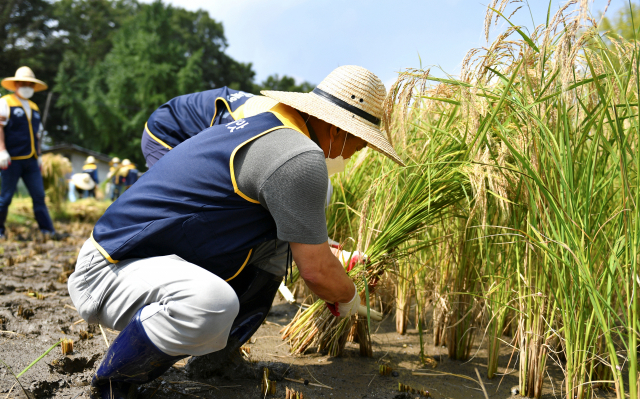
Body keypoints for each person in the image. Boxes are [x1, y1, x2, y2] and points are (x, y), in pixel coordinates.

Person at [68, 65, 405, 399]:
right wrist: (347, 297)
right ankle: (113, 386)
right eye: (361, 140)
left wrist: (333, 257)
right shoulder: (300, 158)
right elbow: (316, 271)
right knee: (211, 305)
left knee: (273, 246)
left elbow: (301, 242)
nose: (359, 150)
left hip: (131, 260)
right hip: (108, 272)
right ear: (337, 127)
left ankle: (217, 360)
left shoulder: (265, 127)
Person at [142, 87, 278, 167]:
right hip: (162, 131)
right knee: (179, 199)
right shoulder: (241, 122)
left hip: (183, 122)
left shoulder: (263, 109)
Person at [0, 66, 57, 239]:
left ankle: (48, 231)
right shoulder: (6, 102)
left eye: (30, 85)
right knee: (6, 197)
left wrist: (39, 155)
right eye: (24, 83)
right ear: (16, 84)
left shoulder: (34, 107)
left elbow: (37, 135)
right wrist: (1, 150)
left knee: (39, 196)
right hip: (12, 159)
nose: (27, 87)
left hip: (31, 160)